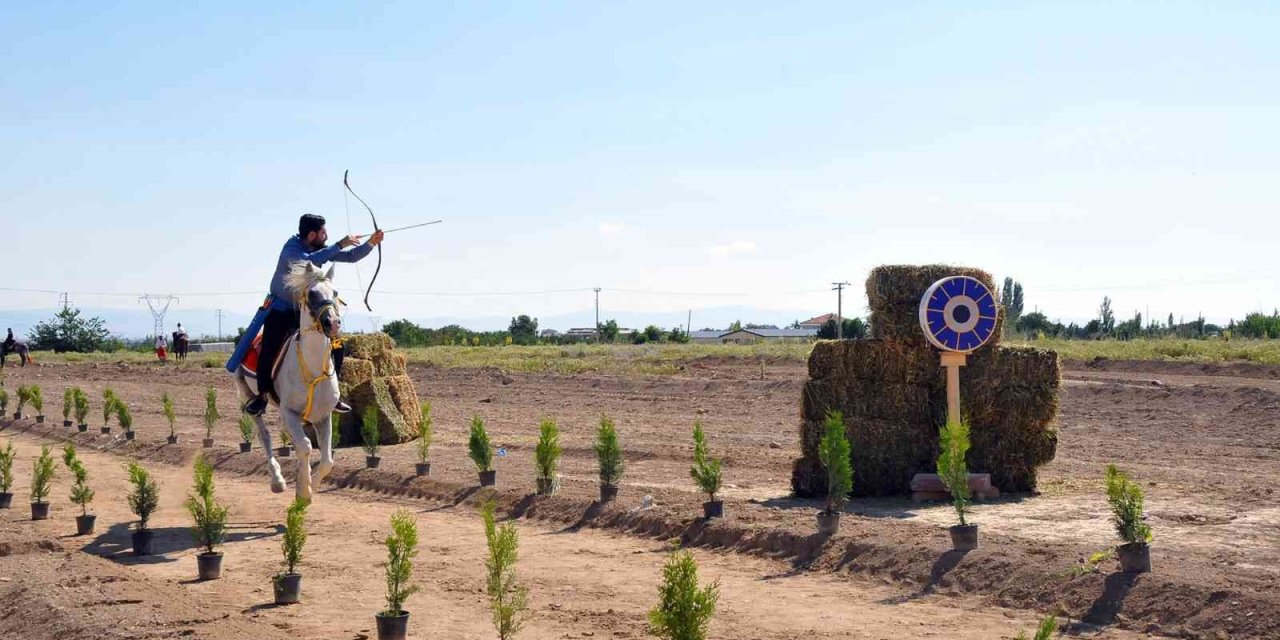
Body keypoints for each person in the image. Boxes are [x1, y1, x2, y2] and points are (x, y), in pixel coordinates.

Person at [242, 213, 384, 416]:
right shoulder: (292, 249)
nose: (326, 236)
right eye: (323, 233)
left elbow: (350, 257)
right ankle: (262, 396)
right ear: (311, 235)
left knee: (336, 345)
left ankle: (332, 396)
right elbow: (308, 261)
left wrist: (371, 243)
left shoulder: (319, 250)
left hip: (306, 310)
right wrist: (338, 245)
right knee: (269, 348)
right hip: (281, 309)